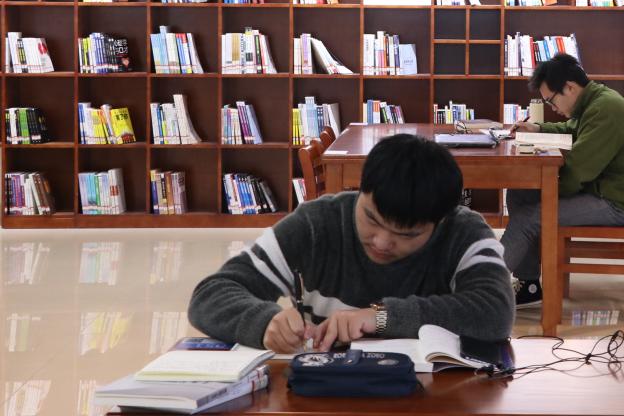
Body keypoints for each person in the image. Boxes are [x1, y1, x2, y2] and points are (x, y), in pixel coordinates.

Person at [188, 133, 514, 352]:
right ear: (360, 190)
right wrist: (264, 322)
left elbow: (495, 313)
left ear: (440, 221)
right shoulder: (315, 225)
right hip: (323, 390)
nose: (382, 242)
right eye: (371, 219)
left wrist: (380, 317)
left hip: (434, 398)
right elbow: (211, 295)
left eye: (407, 235)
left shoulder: (463, 232)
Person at [503, 53, 624, 306]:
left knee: (528, 218)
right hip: (602, 191)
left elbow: (577, 172)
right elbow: (572, 129)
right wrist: (539, 128)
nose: (553, 109)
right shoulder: (596, 102)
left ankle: (478, 291)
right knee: (520, 192)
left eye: (551, 101)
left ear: (570, 87)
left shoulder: (605, 109)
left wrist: (546, 190)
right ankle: (528, 284)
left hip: (616, 204)